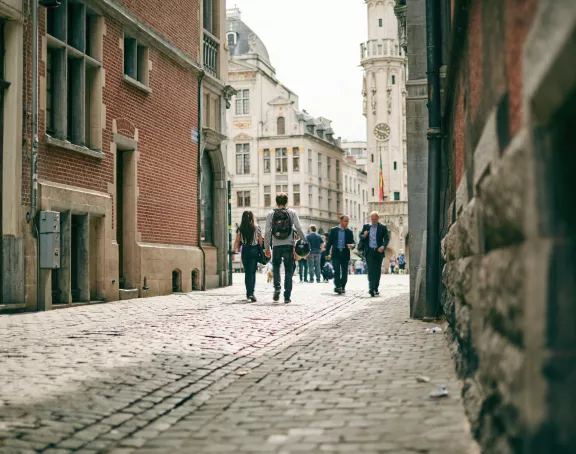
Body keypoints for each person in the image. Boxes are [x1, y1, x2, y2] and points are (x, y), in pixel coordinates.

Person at [264, 192, 306, 303]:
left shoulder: (270, 214)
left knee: (276, 267)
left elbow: (267, 232)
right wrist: (304, 241)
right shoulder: (292, 212)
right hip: (289, 244)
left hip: (276, 245)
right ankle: (287, 296)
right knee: (288, 270)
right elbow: (299, 227)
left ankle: (277, 288)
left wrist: (266, 247)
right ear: (286, 201)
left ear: (276, 202)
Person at [233, 210, 263, 302]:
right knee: (252, 272)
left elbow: (237, 241)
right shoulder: (257, 228)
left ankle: (248, 293)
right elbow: (260, 241)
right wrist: (262, 251)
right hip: (254, 251)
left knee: (247, 273)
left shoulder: (240, 229)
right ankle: (251, 293)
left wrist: (233, 252)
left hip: (245, 251)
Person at [359, 211, 390, 297]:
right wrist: (364, 235)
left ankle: (375, 287)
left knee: (377, 270)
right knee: (371, 270)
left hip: (378, 251)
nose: (374, 221)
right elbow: (360, 236)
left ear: (378, 218)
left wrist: (383, 247)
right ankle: (371, 288)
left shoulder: (382, 227)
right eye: (372, 219)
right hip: (369, 251)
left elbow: (387, 239)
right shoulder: (366, 227)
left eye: (375, 219)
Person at [325, 215, 355, 294]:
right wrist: (327, 252)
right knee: (337, 271)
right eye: (345, 221)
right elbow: (329, 242)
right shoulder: (334, 230)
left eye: (347, 221)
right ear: (341, 221)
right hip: (336, 253)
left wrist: (352, 245)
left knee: (345, 272)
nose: (346, 223)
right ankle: (338, 286)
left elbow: (353, 242)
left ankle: (343, 286)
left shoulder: (349, 232)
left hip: (345, 254)